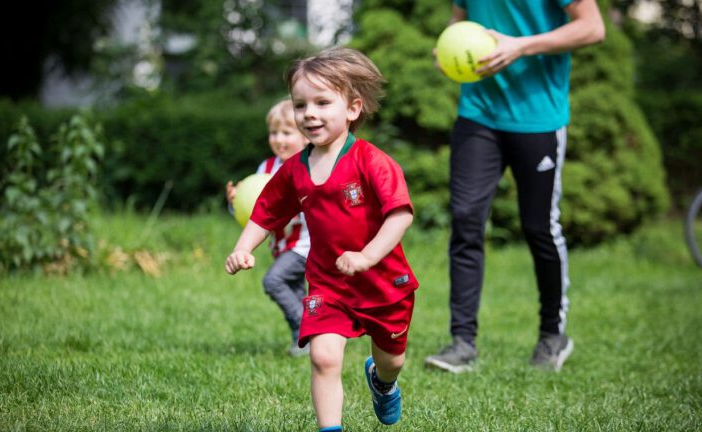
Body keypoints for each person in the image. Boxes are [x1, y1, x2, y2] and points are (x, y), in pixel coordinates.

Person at [225, 47, 419, 431]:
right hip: (329, 283)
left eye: (322, 102)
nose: (309, 113)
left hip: (384, 284)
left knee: (391, 360)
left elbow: (400, 215)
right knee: (324, 358)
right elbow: (265, 211)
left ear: (353, 108)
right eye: (301, 105)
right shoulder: (294, 170)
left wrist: (366, 257)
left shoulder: (372, 161)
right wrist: (243, 248)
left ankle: (383, 382)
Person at [424, 0, 605, 373]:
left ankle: (553, 335)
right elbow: (459, 21)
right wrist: (447, 51)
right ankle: (462, 342)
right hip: (478, 114)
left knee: (539, 226)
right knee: (465, 219)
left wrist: (521, 45)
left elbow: (592, 27)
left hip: (538, 115)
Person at [226, 99, 311, 357]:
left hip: (307, 245)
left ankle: (310, 334)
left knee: (273, 281)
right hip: (282, 246)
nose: (278, 139)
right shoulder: (265, 168)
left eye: (287, 133)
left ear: (306, 136)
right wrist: (235, 202)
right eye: (274, 133)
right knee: (295, 293)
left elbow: (301, 208)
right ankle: (304, 341)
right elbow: (255, 208)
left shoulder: (308, 165)